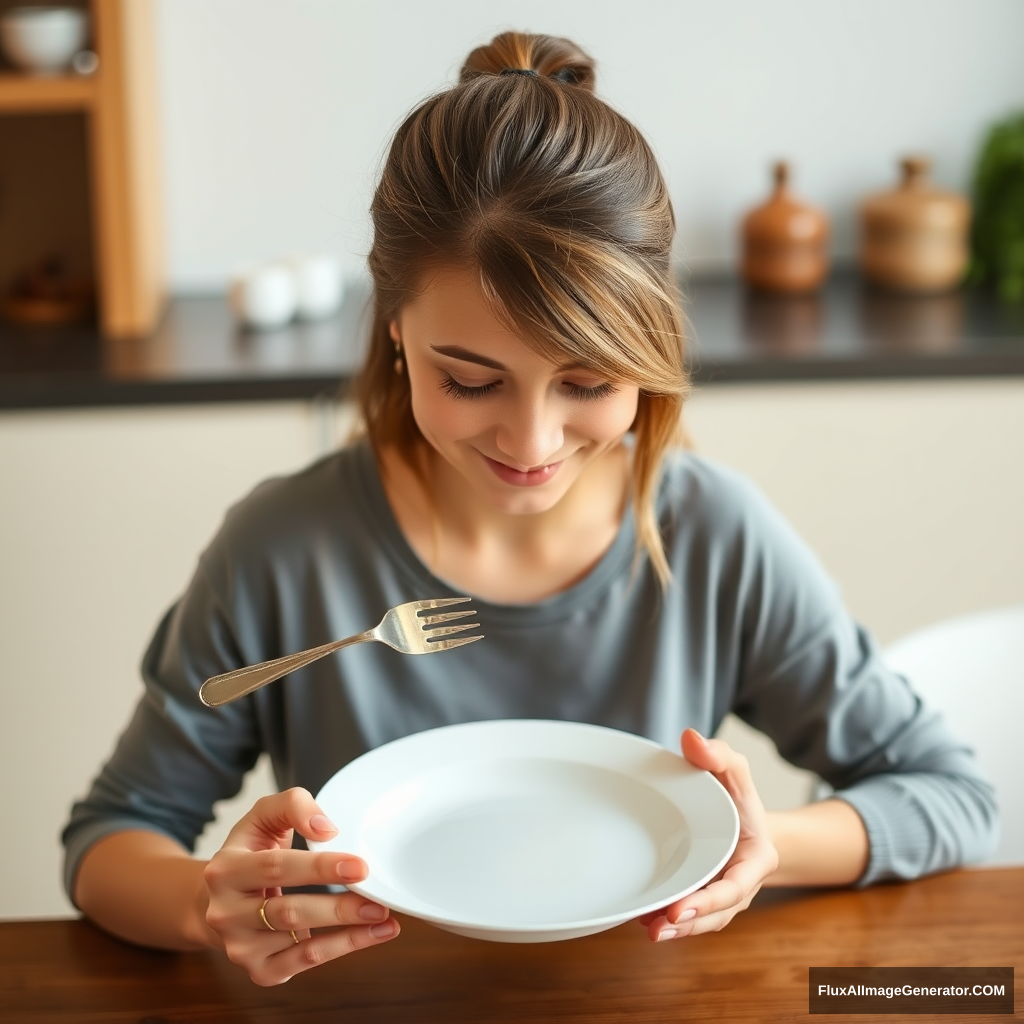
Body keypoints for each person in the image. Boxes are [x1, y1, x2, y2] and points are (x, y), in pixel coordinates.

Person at [63, 31, 997, 987]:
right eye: (471, 381)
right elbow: (112, 839)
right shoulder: (283, 551)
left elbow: (951, 798)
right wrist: (206, 902)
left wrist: (764, 844)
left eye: (587, 382)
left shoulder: (713, 535)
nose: (532, 443)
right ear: (396, 330)